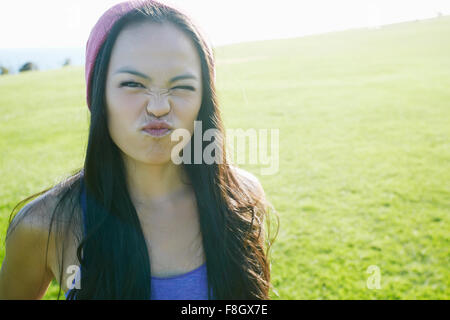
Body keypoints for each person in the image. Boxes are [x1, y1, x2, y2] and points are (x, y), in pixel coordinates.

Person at [0, 0, 279, 300]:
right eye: (133, 83)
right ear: (99, 93)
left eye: (182, 86)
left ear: (204, 100)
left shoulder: (242, 200)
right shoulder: (46, 225)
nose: (159, 106)